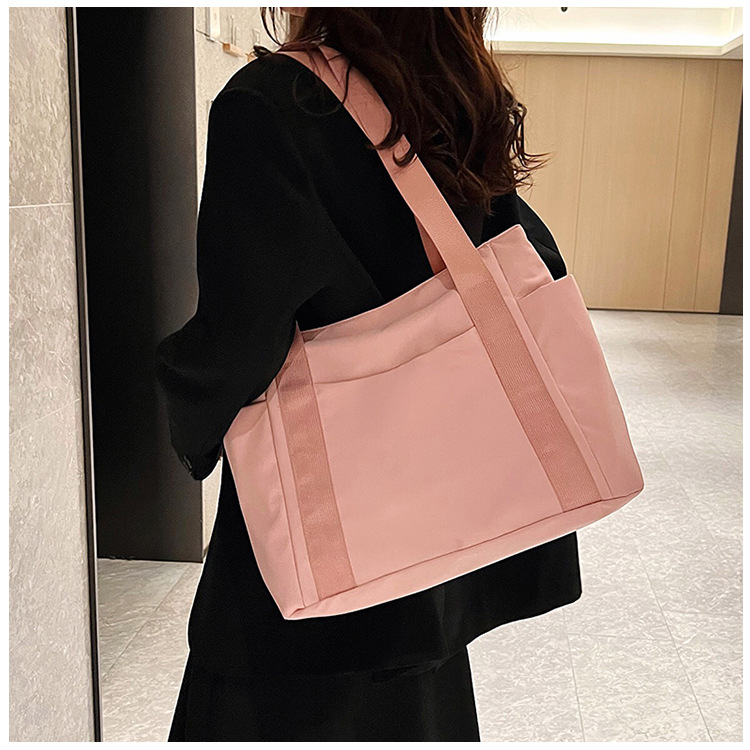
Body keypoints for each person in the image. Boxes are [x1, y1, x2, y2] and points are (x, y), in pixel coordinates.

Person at [157, 7, 582, 742]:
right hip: (432, 546)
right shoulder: (454, 94)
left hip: (314, 543)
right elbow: (530, 260)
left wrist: (178, 401)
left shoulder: (271, 102)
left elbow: (240, 335)